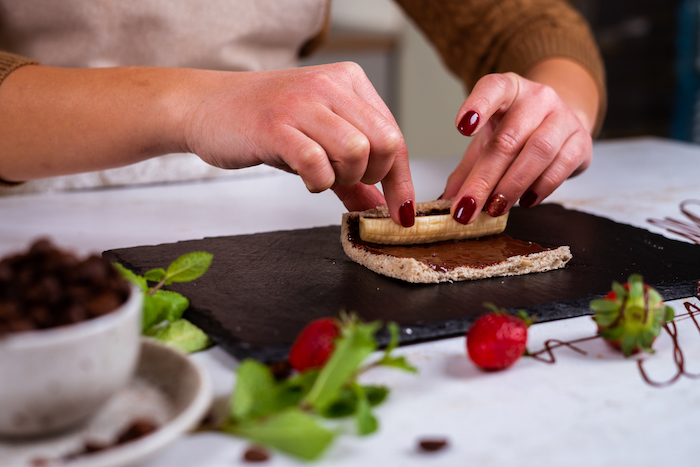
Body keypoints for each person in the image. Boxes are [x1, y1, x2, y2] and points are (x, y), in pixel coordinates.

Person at [0, 0, 605, 228]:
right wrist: (196, 104)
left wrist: (557, 109)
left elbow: (523, 21)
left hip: (278, 200)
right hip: (39, 198)